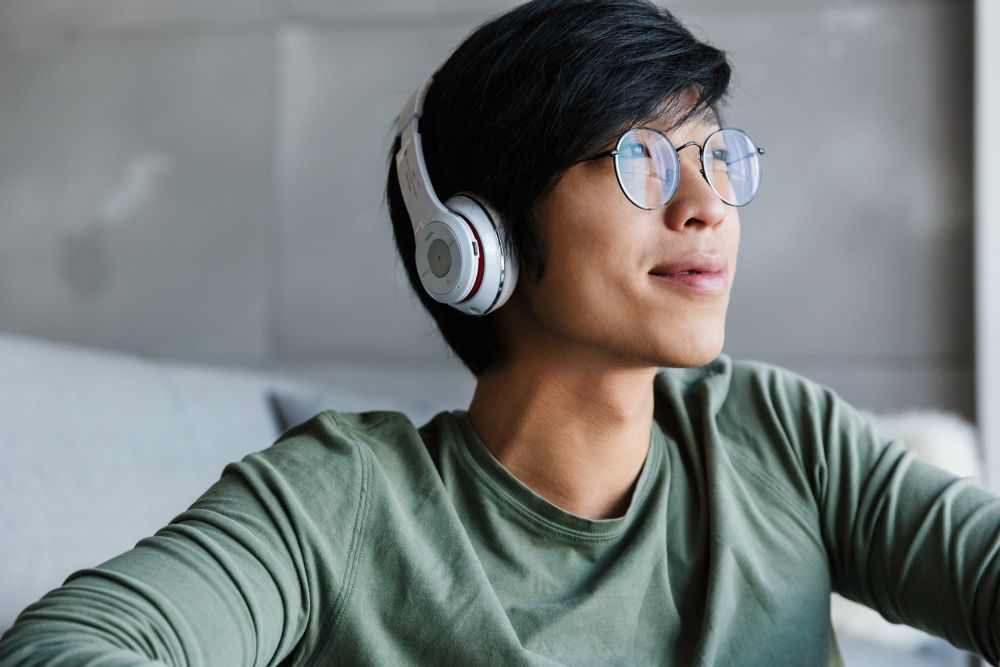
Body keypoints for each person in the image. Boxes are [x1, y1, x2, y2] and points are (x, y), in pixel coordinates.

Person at [0, 0, 997, 665]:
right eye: (640, 161)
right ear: (473, 239)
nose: (706, 204)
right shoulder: (343, 500)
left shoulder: (778, 435)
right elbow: (66, 648)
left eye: (718, 160)